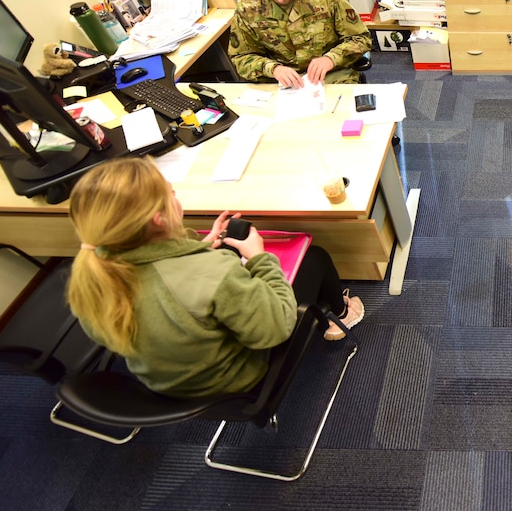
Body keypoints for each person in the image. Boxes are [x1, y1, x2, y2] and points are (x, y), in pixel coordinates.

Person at [66, 157, 365, 399]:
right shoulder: (211, 272)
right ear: (159, 218)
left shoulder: (92, 278)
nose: (175, 197)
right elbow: (275, 328)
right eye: (171, 194)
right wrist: (260, 258)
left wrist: (201, 245)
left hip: (164, 384)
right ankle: (341, 315)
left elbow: (162, 285)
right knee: (316, 259)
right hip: (233, 380)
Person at [229, 0, 372, 89]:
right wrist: (273, 69)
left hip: (331, 75)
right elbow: (241, 57)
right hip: (279, 82)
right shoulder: (247, 7)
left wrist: (330, 59)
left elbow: (361, 39)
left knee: (338, 110)